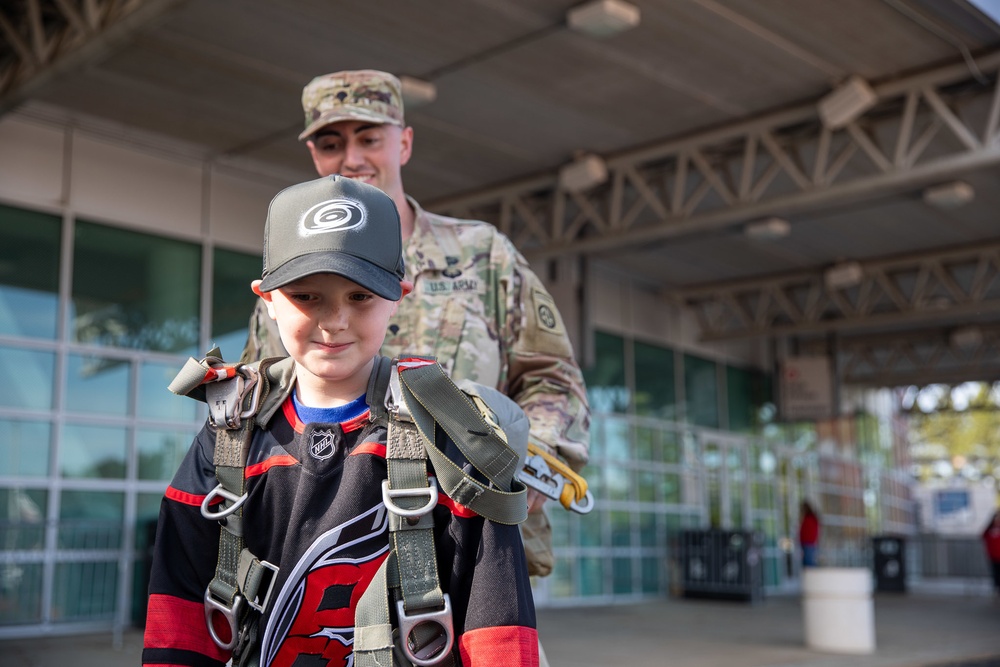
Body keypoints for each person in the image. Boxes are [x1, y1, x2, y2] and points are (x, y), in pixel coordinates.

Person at [143, 175, 538, 666]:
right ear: (265, 298)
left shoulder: (448, 435)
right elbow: (176, 621)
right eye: (307, 296)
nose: (334, 321)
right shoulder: (229, 436)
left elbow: (499, 627)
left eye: (360, 297)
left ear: (399, 294)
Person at [240, 69, 590, 579]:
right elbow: (260, 397)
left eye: (369, 138)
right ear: (315, 156)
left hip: (472, 542)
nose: (351, 158)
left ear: (403, 144)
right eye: (331, 143)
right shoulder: (294, 276)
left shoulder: (482, 256)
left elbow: (554, 378)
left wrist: (530, 454)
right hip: (330, 551)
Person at [983, 510, 1000, 596]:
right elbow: (983, 535)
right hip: (993, 555)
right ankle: (996, 587)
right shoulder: (990, 529)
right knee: (995, 572)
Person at [798, 501, 820, 568]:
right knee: (807, 562)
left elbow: (810, 532)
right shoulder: (809, 518)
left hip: (808, 543)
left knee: (809, 562)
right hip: (806, 543)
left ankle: (814, 576)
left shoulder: (810, 519)